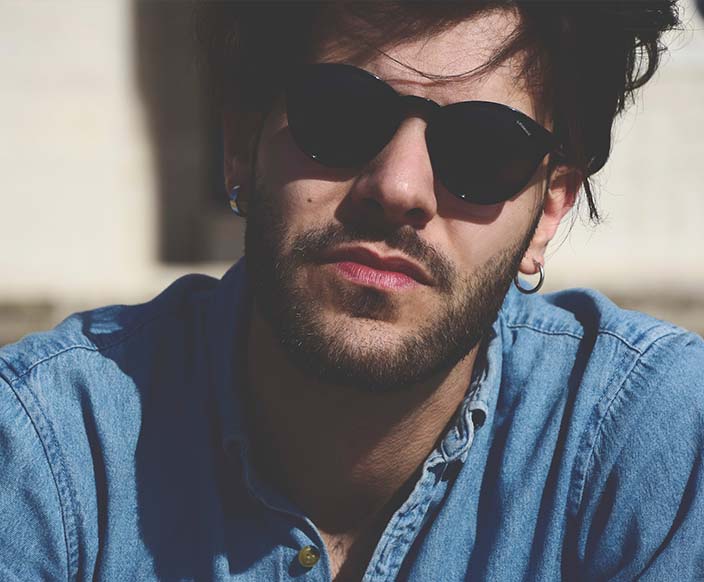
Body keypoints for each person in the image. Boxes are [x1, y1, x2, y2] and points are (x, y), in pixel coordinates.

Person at [1, 2, 702, 581]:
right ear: (240, 145)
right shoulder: (46, 453)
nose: (398, 188)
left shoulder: (645, 447)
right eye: (339, 113)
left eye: (485, 150)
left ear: (549, 210)